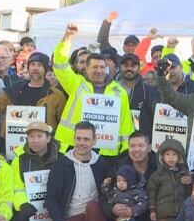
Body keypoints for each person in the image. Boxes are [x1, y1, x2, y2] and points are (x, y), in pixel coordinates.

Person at [52, 24, 136, 157]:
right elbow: (59, 63)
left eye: (102, 67)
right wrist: (67, 38)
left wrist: (125, 153)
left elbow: (126, 125)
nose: (99, 70)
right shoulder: (76, 83)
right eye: (95, 67)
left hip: (106, 152)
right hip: (73, 147)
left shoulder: (119, 91)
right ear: (86, 68)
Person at [44, 122, 111, 221]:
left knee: (94, 206)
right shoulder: (61, 165)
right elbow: (51, 199)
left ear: (95, 140)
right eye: (78, 138)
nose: (82, 143)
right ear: (73, 139)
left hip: (94, 217)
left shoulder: (102, 164)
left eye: (86, 139)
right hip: (70, 218)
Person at [103, 132, 160, 221]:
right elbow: (103, 197)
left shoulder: (159, 168)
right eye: (132, 146)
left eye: (141, 145)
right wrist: (112, 209)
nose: (136, 150)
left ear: (149, 147)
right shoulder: (118, 168)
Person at [8, 122, 60, 221]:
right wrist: (23, 203)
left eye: (39, 136)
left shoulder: (61, 158)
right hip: (31, 204)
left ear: (48, 138)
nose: (35, 140)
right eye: (31, 136)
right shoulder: (18, 160)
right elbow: (17, 188)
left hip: (56, 206)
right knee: (18, 212)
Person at [0, 52, 67, 134]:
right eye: (32, 64)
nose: (35, 68)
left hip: (42, 143)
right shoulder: (14, 90)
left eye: (39, 65)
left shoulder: (56, 95)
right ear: (28, 67)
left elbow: (62, 123)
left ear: (45, 69)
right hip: (13, 142)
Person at [146, 139, 191, 221]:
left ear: (180, 157)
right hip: (163, 215)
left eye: (174, 155)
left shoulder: (184, 174)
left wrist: (189, 182)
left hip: (179, 215)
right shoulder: (157, 175)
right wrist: (152, 210)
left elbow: (189, 194)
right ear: (161, 157)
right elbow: (151, 193)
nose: (171, 158)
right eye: (167, 154)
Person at [117, 53, 158, 137]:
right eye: (125, 65)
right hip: (116, 140)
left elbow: (155, 119)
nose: (129, 68)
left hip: (141, 142)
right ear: (120, 67)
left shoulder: (148, 89)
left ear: (139, 68)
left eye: (133, 66)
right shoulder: (112, 88)